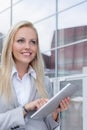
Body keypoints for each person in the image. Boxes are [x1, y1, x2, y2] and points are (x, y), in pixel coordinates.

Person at [0, 20, 70, 130]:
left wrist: (55, 113)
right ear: (10, 45)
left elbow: (48, 124)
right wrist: (25, 109)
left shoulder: (44, 81)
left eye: (33, 42)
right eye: (21, 41)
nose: (28, 46)